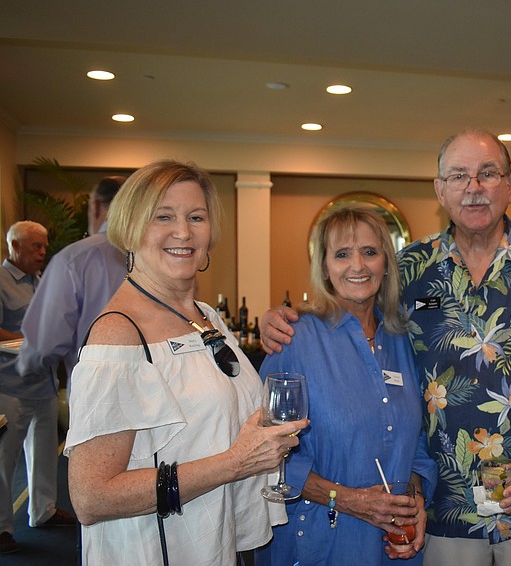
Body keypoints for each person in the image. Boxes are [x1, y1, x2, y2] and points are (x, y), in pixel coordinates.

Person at [262, 130, 511, 566]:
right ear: (440, 190)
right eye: (459, 175)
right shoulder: (411, 273)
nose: (473, 187)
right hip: (445, 514)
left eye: (487, 174)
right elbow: (355, 307)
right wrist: (282, 319)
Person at [64, 160, 306, 565]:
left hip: (215, 543)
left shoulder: (205, 315)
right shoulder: (119, 335)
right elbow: (92, 497)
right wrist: (234, 463)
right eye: (163, 216)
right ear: (129, 227)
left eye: (196, 217)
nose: (183, 231)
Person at [255, 205, 437, 565]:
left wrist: (413, 499)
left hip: (392, 546)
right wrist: (349, 499)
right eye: (342, 254)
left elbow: (415, 441)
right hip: (320, 541)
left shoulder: (401, 340)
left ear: (385, 262)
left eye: (370, 252)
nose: (358, 266)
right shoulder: (294, 340)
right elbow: (266, 455)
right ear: (324, 266)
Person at [0, 221, 77, 555]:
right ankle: (2, 527)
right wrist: (33, 340)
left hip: (45, 379)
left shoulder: (41, 281)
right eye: (37, 247)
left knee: (45, 448)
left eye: (45, 246)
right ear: (15, 247)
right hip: (10, 382)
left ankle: (43, 511)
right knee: (5, 459)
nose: (43, 253)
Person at [18, 176, 127, 388]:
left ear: (95, 207)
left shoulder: (74, 260)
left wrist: (25, 369)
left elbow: (42, 348)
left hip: (94, 398)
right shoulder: (164, 257)